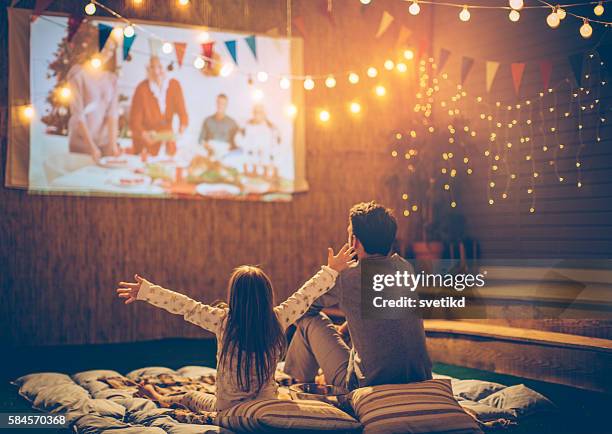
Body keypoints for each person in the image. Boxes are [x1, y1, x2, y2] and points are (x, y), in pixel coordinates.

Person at [116, 244, 355, 413]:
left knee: (190, 397)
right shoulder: (278, 318)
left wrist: (146, 292)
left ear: (234, 297)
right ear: (267, 295)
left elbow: (185, 306)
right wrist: (332, 270)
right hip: (266, 404)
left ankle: (159, 397)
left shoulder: (223, 321)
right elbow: (305, 296)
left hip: (227, 407)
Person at [284, 201, 432, 390]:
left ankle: (292, 384)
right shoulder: (405, 268)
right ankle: (297, 380)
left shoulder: (348, 277)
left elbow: (304, 307)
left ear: (354, 241)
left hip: (365, 386)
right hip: (420, 378)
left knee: (307, 321)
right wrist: (343, 330)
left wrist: (332, 270)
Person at [67, 29, 119, 161]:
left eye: (111, 50)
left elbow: (112, 114)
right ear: (95, 46)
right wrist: (91, 148)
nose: (108, 53)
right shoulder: (78, 74)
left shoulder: (111, 79)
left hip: (103, 145)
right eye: (105, 47)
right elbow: (78, 115)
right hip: (82, 144)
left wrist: (112, 145)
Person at [129, 56, 188, 156]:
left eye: (160, 67)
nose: (156, 72)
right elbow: (134, 121)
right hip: (146, 144)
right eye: (152, 67)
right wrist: (144, 134)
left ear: (166, 68)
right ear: (148, 69)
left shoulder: (174, 85)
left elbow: (182, 112)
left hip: (167, 143)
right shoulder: (141, 89)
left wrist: (182, 126)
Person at [238, 104, 281, 177]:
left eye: (260, 112)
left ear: (264, 114)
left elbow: (275, 147)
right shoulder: (247, 126)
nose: (257, 115)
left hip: (266, 161)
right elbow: (241, 142)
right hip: (250, 160)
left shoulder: (271, 128)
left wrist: (271, 160)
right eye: (255, 112)